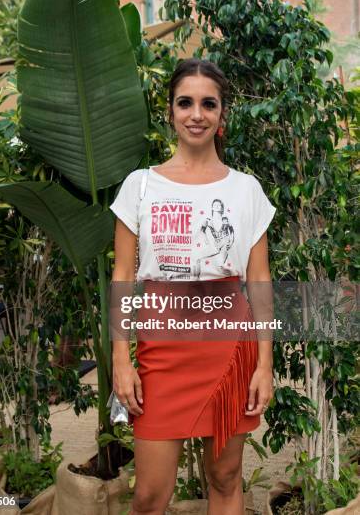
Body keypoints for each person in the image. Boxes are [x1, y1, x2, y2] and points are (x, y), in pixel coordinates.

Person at [109, 58, 276, 515]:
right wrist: (120, 360)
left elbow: (258, 282)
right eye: (186, 102)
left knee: (224, 478)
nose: (196, 113)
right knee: (148, 496)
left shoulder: (247, 191)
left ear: (222, 116)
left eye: (209, 103)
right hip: (161, 353)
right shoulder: (140, 187)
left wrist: (265, 364)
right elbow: (123, 278)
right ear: (170, 111)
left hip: (228, 354)